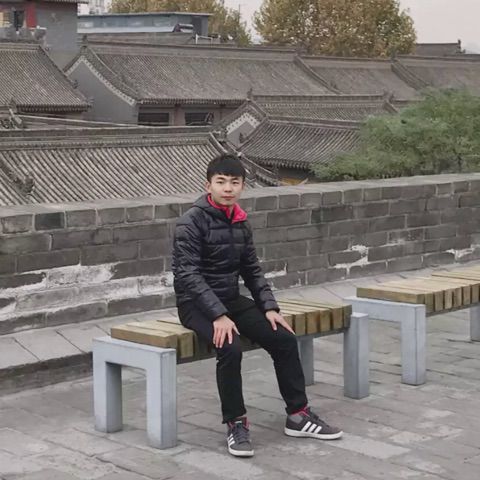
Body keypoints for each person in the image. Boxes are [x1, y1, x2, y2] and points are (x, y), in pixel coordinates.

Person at [172, 154, 342, 457]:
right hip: (195, 305)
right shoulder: (190, 223)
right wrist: (218, 315)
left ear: (242, 186)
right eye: (221, 182)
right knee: (230, 347)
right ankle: (236, 423)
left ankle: (298, 415)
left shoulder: (240, 222)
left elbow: (251, 270)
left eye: (234, 182)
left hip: (229, 299)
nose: (228, 188)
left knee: (284, 338)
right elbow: (188, 275)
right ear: (208, 185)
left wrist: (269, 307)